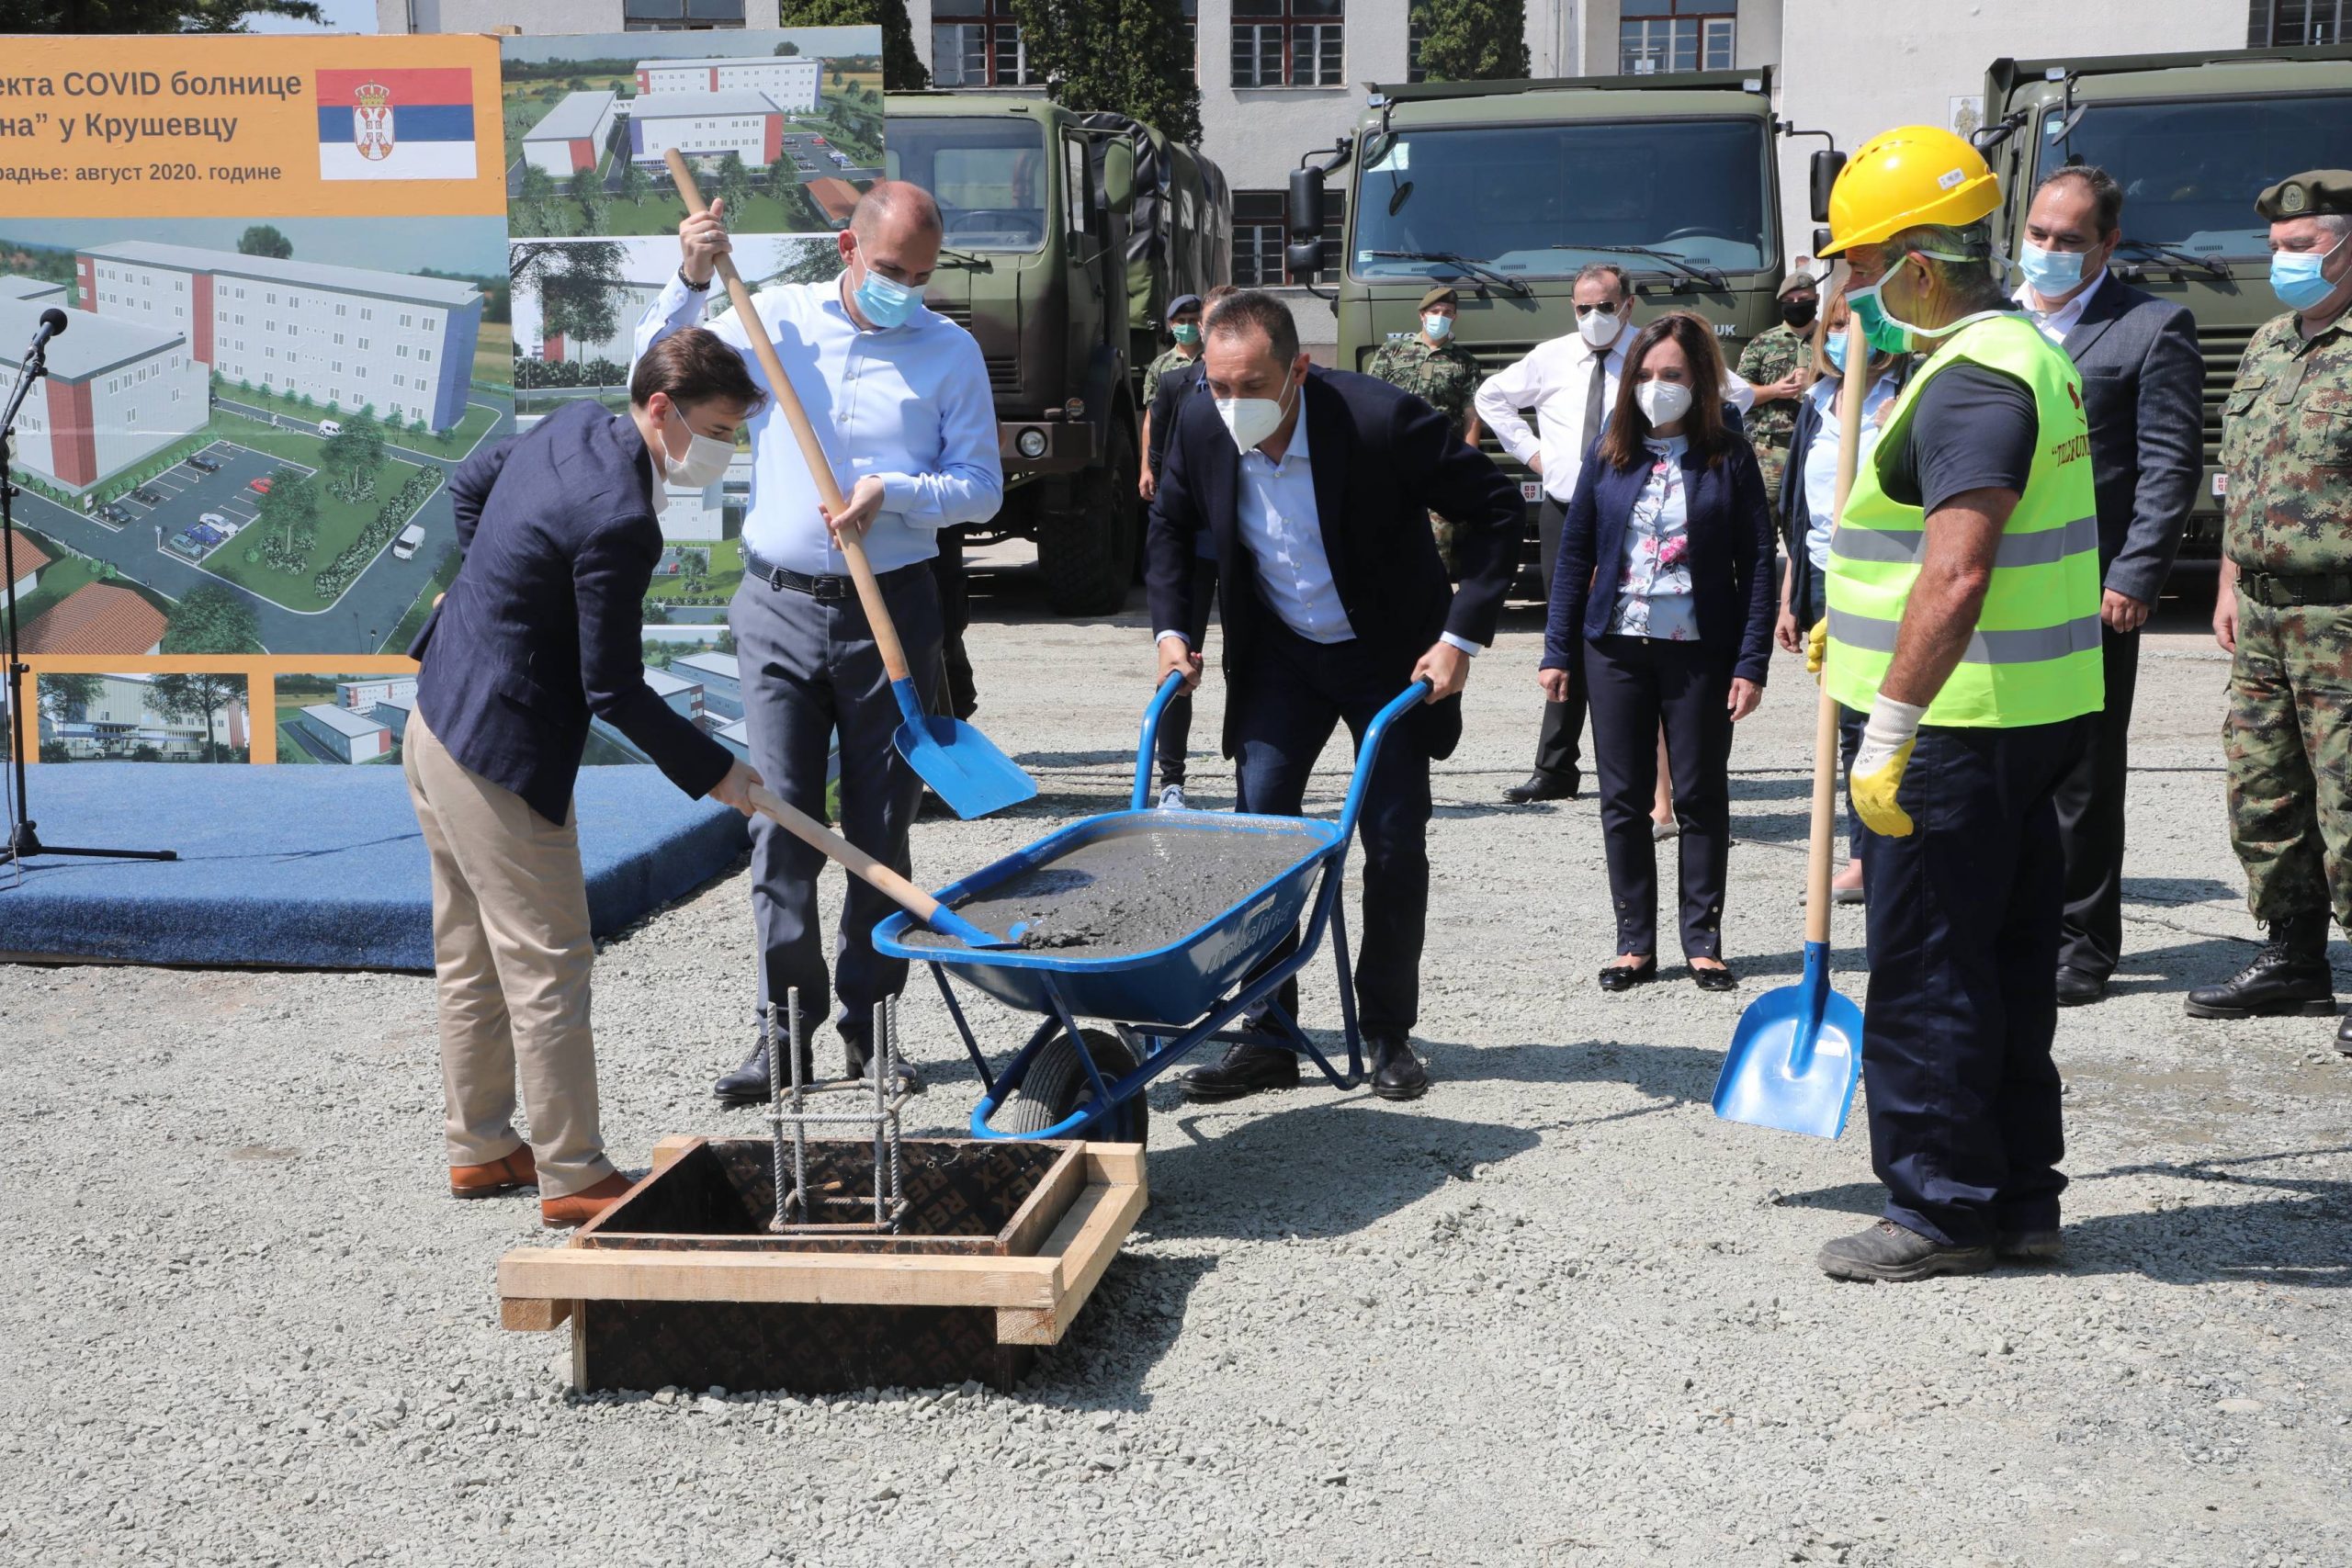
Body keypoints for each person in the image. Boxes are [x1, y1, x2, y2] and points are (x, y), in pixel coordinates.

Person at [632, 182, 1004, 1103]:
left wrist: (897, 492)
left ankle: (871, 1028)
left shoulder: (947, 352)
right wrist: (688, 273)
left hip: (895, 610)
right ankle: (780, 1036)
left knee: (884, 826)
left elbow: (983, 488)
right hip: (777, 606)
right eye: (889, 272)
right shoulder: (773, 321)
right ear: (847, 246)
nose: (905, 291)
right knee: (782, 822)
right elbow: (652, 370)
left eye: (920, 277)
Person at [1809, 125, 2104, 1282]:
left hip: (1956, 729)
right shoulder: (2023, 354)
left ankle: (1936, 1208)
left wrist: (1889, 723)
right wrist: (1857, 607)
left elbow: (1960, 567)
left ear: (1914, 268)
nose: (1845, 293)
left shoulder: (1972, 377)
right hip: (2029, 716)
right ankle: (2021, 1199)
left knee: (1931, 969)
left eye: (1856, 267)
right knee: (2008, 965)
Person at [403, 329, 765, 1228]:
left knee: (471, 954)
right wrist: (716, 770)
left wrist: (481, 588)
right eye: (720, 429)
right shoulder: (622, 521)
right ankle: (573, 1174)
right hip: (495, 749)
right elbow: (612, 687)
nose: (726, 450)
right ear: (659, 410)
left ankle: (479, 1147)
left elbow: (472, 482)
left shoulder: (572, 422)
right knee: (547, 959)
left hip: (436, 711)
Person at [1147, 289, 1521, 1100]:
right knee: (1263, 838)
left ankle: (1387, 1030)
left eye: (1251, 385)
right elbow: (1173, 527)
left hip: (1389, 654)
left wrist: (1458, 638)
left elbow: (1495, 510)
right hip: (1281, 652)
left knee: (1391, 839)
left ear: (1300, 370)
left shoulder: (1379, 421)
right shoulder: (1204, 421)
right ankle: (1269, 1035)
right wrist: (1173, 629)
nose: (1233, 404)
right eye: (1219, 384)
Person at [2013, 165, 2202, 1008]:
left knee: (2083, 772)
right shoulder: (1994, 323)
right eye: (2039, 235)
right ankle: (2014, 921)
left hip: (2091, 589)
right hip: (1997, 582)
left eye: (2068, 241)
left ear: (2108, 244)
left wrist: (2136, 572)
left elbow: (2168, 465)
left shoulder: (2151, 328)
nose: (2049, 253)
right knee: (2004, 765)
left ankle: (2083, 941)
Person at [1542, 311, 1774, 992]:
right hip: (1613, 649)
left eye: (1670, 374)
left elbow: (1758, 562)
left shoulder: (1728, 456)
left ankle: (1702, 941)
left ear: (1699, 379)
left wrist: (1750, 662)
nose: (1655, 387)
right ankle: (1633, 944)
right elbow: (1575, 551)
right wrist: (1558, 649)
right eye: (1644, 375)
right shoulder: (1609, 454)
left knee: (1700, 794)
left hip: (1698, 651)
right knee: (1624, 796)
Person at [2192, 168, 2352, 1055]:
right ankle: (2295, 959)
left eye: (2301, 248)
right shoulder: (2265, 345)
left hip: (2342, 616)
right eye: (2277, 248)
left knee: (2350, 797)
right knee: (2265, 790)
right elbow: (2237, 477)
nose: (2283, 261)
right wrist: (2223, 582)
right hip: (2259, 611)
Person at [1478, 265, 1639, 805]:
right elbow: (1491, 397)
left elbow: (1722, 394)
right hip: (1566, 509)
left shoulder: (1654, 351)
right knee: (1563, 632)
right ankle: (1555, 769)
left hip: (1635, 514)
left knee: (1629, 636)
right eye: (1583, 307)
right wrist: (1533, 455)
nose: (1594, 317)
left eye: (1606, 306)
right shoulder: (1551, 356)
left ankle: (1638, 768)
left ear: (1628, 305)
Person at [1774, 286, 1914, 902]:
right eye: (1834, 324)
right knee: (1848, 723)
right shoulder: (1816, 404)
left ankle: (1901, 850)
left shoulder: (1907, 394)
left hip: (1890, 581)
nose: (1844, 335)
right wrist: (1791, 597)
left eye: (1857, 324)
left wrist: (1901, 426)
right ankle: (1865, 853)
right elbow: (1799, 512)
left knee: (1895, 719)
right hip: (1827, 581)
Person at [1142, 286, 1235, 807]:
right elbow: (1161, 457)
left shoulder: (1258, 388)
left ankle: (1255, 773)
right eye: (1210, 322)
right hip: (1194, 549)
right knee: (1179, 662)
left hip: (1245, 554)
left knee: (1250, 665)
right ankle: (1172, 780)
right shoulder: (1177, 384)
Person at [1369, 284, 1488, 575]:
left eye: (1447, 312)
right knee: (1388, 528)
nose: (1441, 316)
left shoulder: (1464, 361)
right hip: (1393, 456)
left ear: (1455, 318)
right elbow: (1369, 397)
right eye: (1435, 311)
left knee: (1441, 538)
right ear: (1422, 315)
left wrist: (1466, 461)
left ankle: (1438, 601)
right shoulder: (1392, 351)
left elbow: (1471, 415)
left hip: (1440, 459)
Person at [1736, 270, 1821, 527]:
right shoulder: (1763, 343)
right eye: (1790, 301)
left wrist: (1813, 384)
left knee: (1808, 526)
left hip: (1817, 446)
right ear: (1781, 303)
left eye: (1803, 299)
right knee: (1761, 525)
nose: (1797, 305)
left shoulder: (1832, 339)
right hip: (1771, 450)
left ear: (1816, 300)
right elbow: (1739, 392)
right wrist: (1775, 390)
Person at [1137, 292, 1206, 500]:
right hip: (1173, 455)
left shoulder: (1213, 358)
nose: (1187, 326)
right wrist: (1146, 469)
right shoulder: (1160, 366)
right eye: (1181, 321)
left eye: (1193, 320)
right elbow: (1151, 421)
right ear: (1172, 324)